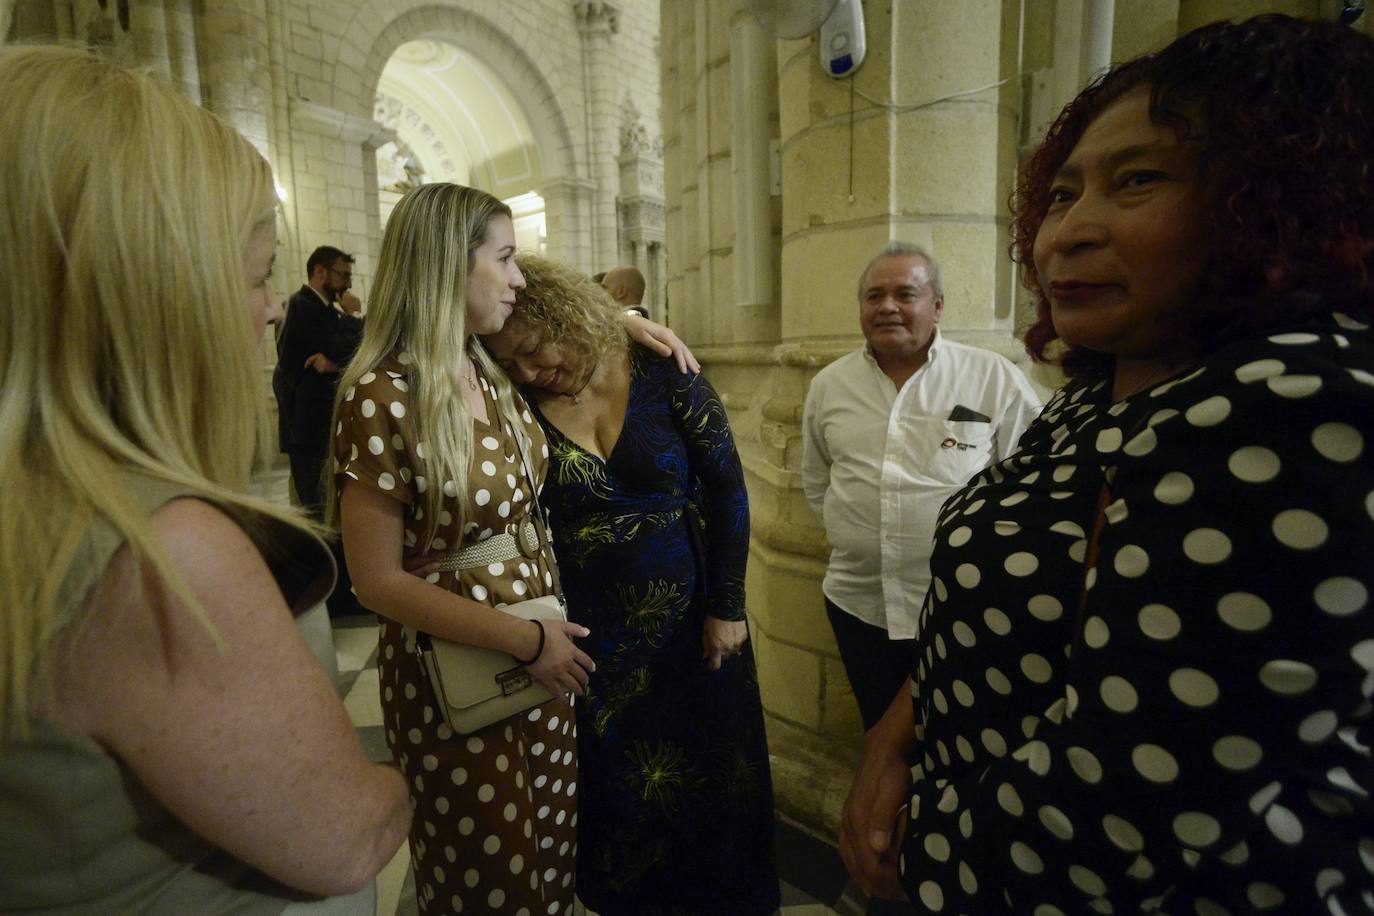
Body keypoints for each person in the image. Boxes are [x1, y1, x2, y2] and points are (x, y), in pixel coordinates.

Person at [841, 14, 1374, 914]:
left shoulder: (1291, 403)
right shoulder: (1102, 391)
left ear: (1279, 197)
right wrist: (897, 733)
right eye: (1061, 194)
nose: (1069, 234)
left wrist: (907, 851)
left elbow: (1119, 815)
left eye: (1137, 181)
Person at [0, 45, 411, 914]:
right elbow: (346, 837)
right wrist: (404, 786)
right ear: (154, 288)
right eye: (260, 274)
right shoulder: (154, 553)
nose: (268, 306)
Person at [327, 184, 700, 915]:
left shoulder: (490, 371)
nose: (519, 275)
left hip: (538, 663)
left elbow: (558, 330)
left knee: (551, 864)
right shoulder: (380, 395)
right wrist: (525, 639)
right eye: (503, 257)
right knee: (489, 883)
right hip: (464, 670)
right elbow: (373, 581)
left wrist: (624, 320)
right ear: (446, 265)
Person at [483, 254, 780, 916]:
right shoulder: (513, 402)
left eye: (534, 350)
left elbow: (729, 488)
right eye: (513, 364)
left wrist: (728, 608)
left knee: (713, 784)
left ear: (563, 315)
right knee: (621, 798)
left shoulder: (659, 369)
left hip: (694, 622)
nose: (531, 371)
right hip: (592, 636)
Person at [802, 243, 1041, 731]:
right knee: (879, 728)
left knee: (958, 735)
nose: (887, 306)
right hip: (859, 603)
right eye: (874, 296)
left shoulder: (991, 376)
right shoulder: (829, 385)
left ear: (937, 307)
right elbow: (818, 479)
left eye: (904, 294)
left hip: (960, 606)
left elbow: (1032, 479)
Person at [274, 245, 366, 615]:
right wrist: (354, 317)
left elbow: (345, 345)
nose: (346, 283)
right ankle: (332, 599)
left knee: (332, 512)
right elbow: (351, 342)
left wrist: (336, 355)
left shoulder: (325, 311)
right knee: (319, 515)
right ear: (320, 273)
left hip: (320, 433)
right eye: (342, 275)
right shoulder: (303, 306)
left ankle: (342, 594)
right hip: (307, 434)